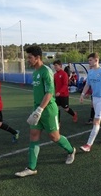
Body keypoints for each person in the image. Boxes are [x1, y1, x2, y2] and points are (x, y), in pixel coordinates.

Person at [15, 46, 76, 178]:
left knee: (54, 137)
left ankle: (71, 150)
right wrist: (36, 110)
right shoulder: (35, 72)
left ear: (37, 58)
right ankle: (31, 167)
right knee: (33, 135)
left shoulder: (46, 72)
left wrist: (40, 110)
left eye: (30, 57)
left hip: (48, 110)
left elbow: (49, 93)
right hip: (38, 109)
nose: (28, 60)